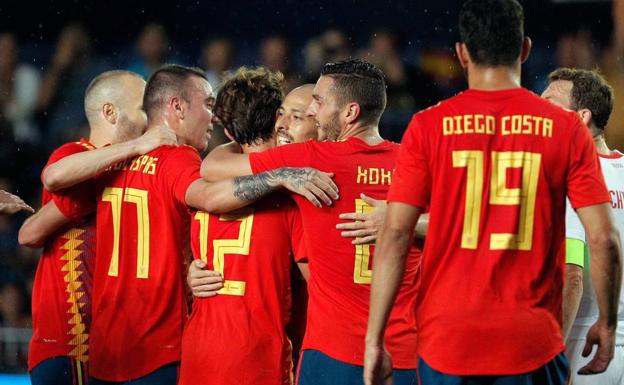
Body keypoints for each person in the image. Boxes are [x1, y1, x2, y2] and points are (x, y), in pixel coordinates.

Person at [364, 1, 621, 385]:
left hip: (448, 339)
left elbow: (396, 234)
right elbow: (603, 239)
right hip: (530, 340)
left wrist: (374, 338)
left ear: (462, 54)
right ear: (525, 49)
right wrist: (606, 320)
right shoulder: (566, 130)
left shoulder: (427, 126)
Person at [53, 64, 337, 384]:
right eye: (207, 105)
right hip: (227, 356)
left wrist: (190, 272)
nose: (212, 117)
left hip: (170, 354)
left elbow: (47, 193)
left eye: (297, 116)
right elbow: (325, 288)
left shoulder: (120, 161)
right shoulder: (283, 192)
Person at [201, 58, 421, 385]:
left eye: (318, 102)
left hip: (333, 354)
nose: (313, 112)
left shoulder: (312, 159)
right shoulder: (414, 163)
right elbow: (464, 223)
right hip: (402, 355)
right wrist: (406, 221)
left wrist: (282, 174)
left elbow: (211, 167)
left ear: (350, 112)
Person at [18, 70, 173, 385]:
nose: (151, 120)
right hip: (72, 342)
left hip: (111, 346)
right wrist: (137, 146)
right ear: (110, 112)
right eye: (143, 108)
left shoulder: (133, 170)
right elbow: (45, 196)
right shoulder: (75, 154)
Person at [179, 66, 308, 385]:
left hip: (201, 355)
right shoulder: (292, 195)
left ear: (229, 131)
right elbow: (321, 284)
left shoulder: (205, 189)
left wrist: (189, 274)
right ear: (278, 117)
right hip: (257, 359)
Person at [542, 68, 624, 385]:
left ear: (581, 117)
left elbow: (572, 275)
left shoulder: (571, 176)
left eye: (549, 104)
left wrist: (555, 359)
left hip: (584, 348)